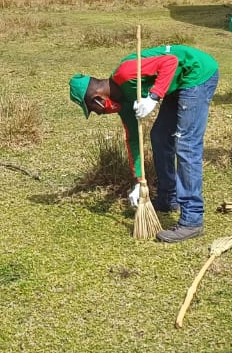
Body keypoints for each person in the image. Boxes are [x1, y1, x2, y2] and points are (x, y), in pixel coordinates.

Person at [68, 44, 219, 243]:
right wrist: (140, 180)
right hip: (178, 83)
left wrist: (154, 97)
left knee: (186, 143)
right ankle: (168, 198)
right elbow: (133, 140)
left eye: (95, 110)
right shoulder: (125, 105)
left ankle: (192, 220)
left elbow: (170, 62)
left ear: (98, 99)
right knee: (159, 136)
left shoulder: (126, 73)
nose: (100, 113)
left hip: (197, 73)